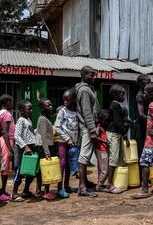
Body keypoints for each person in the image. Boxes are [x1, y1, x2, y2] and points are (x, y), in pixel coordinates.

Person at [75, 66, 99, 197]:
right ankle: (82, 188)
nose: (93, 77)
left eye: (94, 75)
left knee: (86, 156)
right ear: (83, 75)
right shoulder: (84, 90)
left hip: (87, 127)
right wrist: (92, 130)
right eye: (91, 75)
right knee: (84, 157)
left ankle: (85, 183)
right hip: (87, 127)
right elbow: (87, 113)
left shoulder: (88, 89)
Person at [106, 84, 129, 194]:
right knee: (114, 159)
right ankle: (109, 185)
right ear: (114, 95)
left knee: (119, 159)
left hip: (117, 134)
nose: (124, 96)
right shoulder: (115, 106)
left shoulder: (117, 105)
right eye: (121, 93)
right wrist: (125, 130)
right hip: (113, 134)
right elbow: (117, 123)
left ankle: (116, 182)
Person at [56, 89, 79, 196]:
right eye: (64, 100)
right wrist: (67, 139)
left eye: (67, 99)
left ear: (74, 99)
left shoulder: (78, 111)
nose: (65, 102)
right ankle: (59, 189)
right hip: (63, 142)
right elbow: (57, 127)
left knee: (70, 166)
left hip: (74, 143)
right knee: (63, 164)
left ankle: (67, 186)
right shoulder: (63, 111)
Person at [12, 100, 36, 202]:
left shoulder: (29, 120)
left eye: (31, 108)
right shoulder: (21, 120)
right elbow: (16, 136)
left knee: (30, 170)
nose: (31, 110)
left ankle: (26, 190)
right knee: (19, 170)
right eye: (28, 108)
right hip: (22, 149)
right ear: (22, 110)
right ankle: (14, 193)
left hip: (30, 148)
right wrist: (25, 146)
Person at [35, 99, 58, 200]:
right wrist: (47, 152)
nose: (51, 107)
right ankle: (46, 191)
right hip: (45, 147)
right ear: (42, 107)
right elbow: (43, 136)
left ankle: (39, 190)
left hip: (45, 146)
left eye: (51, 105)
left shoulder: (46, 118)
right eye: (48, 106)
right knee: (46, 169)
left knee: (42, 170)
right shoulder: (43, 119)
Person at [0, 95, 15, 202]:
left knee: (4, 168)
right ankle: (0, 193)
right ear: (7, 102)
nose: (12, 104)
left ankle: (2, 191)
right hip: (7, 142)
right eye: (11, 102)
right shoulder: (7, 114)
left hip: (1, 141)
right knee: (5, 169)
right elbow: (5, 132)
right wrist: (10, 149)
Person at [136, 74, 151, 160]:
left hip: (146, 125)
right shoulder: (140, 96)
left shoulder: (146, 95)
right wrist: (152, 121)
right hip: (142, 126)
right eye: (147, 83)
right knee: (141, 150)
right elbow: (141, 114)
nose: (149, 85)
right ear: (141, 84)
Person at [95, 109, 109, 192]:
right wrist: (104, 142)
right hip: (101, 149)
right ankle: (99, 186)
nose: (106, 121)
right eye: (105, 119)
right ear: (101, 119)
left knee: (102, 168)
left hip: (103, 149)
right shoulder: (99, 127)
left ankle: (99, 183)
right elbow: (95, 137)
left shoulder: (104, 126)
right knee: (105, 170)